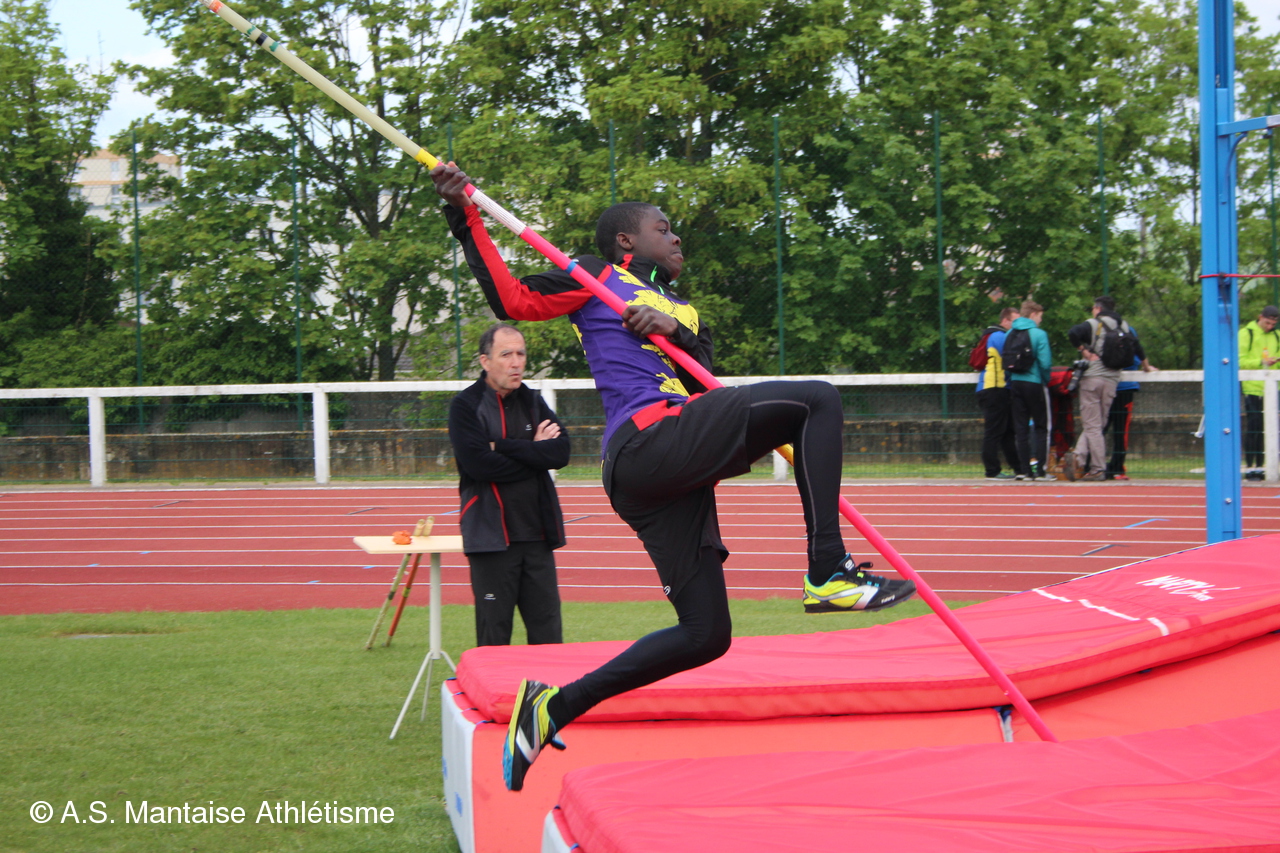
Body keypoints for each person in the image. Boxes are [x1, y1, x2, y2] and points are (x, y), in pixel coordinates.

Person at [431, 161, 916, 791]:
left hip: (669, 469)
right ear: (627, 242)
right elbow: (514, 300)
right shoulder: (597, 275)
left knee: (705, 634)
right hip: (646, 443)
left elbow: (704, 383)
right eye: (663, 228)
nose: (677, 236)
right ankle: (827, 569)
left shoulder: (686, 311)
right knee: (817, 399)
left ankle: (553, 706)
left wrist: (669, 328)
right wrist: (464, 213)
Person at [449, 323, 570, 646]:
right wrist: (535, 452)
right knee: (494, 639)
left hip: (538, 536)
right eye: (506, 355)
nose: (516, 362)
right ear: (485, 361)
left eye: (521, 354)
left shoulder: (532, 400)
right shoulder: (466, 406)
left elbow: (560, 452)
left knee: (549, 639)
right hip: (490, 540)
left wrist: (501, 445)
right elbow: (479, 465)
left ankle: (547, 685)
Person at [1064, 296, 1153, 481]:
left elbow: (1072, 333)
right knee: (1098, 424)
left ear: (1098, 308)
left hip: (1092, 379)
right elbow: (1138, 348)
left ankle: (1097, 468)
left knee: (1092, 426)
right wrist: (1146, 367)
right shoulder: (1124, 326)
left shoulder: (1093, 324)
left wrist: (1084, 350)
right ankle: (1078, 457)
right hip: (1112, 380)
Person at [1006, 300, 1053, 480]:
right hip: (1034, 383)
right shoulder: (1039, 334)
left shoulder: (1009, 333)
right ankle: (1040, 470)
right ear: (1033, 314)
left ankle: (1025, 471)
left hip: (1016, 383)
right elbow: (1045, 363)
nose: (1040, 320)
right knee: (1041, 427)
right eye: (1040, 316)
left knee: (1021, 429)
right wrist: (1045, 380)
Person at [975, 307, 1021, 480]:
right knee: (994, 431)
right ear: (1005, 321)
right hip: (994, 389)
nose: (1017, 325)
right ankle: (992, 470)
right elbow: (1011, 362)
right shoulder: (1000, 337)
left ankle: (1019, 468)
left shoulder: (996, 336)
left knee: (1008, 431)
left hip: (999, 388)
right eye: (1015, 321)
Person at [1239, 305, 1280, 481]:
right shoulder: (1246, 333)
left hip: (1273, 388)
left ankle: (1264, 466)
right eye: (1267, 323)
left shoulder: (1277, 336)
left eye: (1273, 324)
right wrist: (1262, 362)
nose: (1270, 327)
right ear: (1260, 317)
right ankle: (1251, 467)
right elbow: (1240, 360)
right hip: (1253, 388)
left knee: (1269, 429)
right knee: (1254, 427)